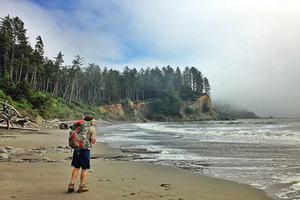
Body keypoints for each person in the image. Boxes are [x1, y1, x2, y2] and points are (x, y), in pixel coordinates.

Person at [68, 115, 96, 193]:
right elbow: (93, 141)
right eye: (92, 121)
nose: (93, 122)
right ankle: (81, 186)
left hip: (77, 148)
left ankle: (71, 184)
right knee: (84, 168)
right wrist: (92, 139)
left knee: (76, 167)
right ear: (90, 122)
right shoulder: (91, 129)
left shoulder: (78, 128)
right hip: (85, 150)